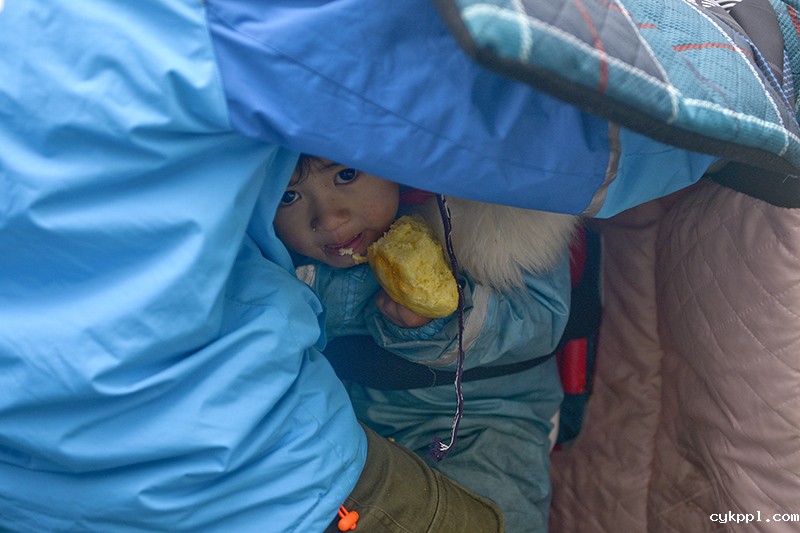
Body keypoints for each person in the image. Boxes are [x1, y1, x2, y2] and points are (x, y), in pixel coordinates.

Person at [273, 155, 573, 532]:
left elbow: (541, 319)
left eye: (346, 175)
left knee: (490, 516)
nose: (329, 219)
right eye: (289, 197)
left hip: (482, 421)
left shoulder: (493, 217)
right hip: (347, 428)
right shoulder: (277, 262)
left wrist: (441, 319)